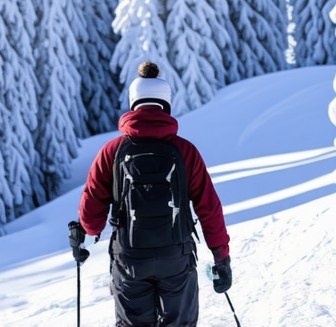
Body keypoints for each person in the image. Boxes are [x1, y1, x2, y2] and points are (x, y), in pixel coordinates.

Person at [75, 62, 232, 327]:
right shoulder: (185, 151)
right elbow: (209, 208)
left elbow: (91, 217)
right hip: (177, 256)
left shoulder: (112, 151)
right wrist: (221, 257)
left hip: (130, 259)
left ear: (133, 103)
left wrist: (84, 233)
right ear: (166, 104)